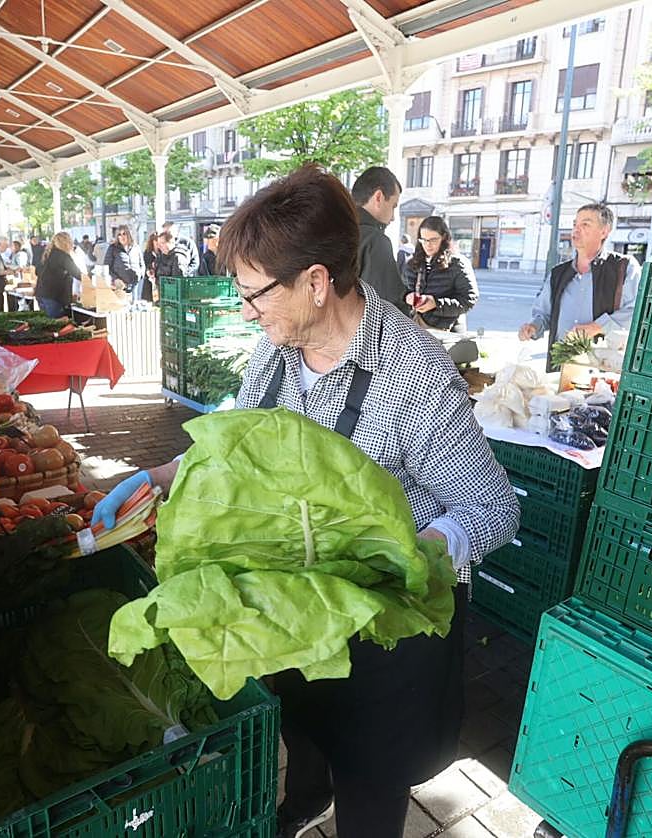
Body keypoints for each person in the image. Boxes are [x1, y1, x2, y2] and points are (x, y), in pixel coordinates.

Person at [91, 165, 520, 838]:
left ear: (317, 283)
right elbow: (238, 438)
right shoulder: (275, 353)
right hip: (301, 601)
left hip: (383, 624)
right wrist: (164, 472)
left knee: (369, 783)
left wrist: (410, 551)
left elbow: (494, 509)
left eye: (256, 294)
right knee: (306, 721)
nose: (247, 311)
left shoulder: (414, 375)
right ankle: (303, 802)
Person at [518, 203, 640, 369]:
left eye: (585, 224)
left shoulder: (623, 267)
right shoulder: (558, 273)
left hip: (601, 368)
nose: (576, 229)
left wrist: (597, 327)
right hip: (560, 365)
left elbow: (635, 311)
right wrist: (533, 326)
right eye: (575, 224)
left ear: (604, 231)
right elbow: (543, 312)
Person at [402, 216, 479, 332]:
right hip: (417, 329)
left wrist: (436, 304)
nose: (428, 245)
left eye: (433, 240)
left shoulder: (457, 264)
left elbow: (469, 299)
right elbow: (402, 291)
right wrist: (407, 297)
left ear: (444, 238)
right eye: (424, 240)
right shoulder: (412, 263)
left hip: (448, 333)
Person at [350, 166, 407, 311]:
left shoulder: (330, 230)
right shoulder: (375, 241)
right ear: (379, 197)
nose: (393, 218)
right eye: (393, 206)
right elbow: (389, 308)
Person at [35, 232, 81, 318]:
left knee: (47, 326)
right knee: (57, 326)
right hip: (54, 296)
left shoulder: (47, 254)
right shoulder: (63, 256)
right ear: (66, 243)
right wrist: (93, 279)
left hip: (41, 293)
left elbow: (37, 271)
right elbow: (77, 273)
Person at [105, 225, 146, 302]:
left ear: (128, 234)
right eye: (119, 234)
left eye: (124, 233)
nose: (122, 236)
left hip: (135, 285)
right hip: (120, 286)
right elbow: (107, 266)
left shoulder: (136, 247)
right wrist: (115, 279)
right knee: (121, 309)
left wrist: (140, 275)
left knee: (134, 308)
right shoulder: (112, 248)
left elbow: (142, 264)